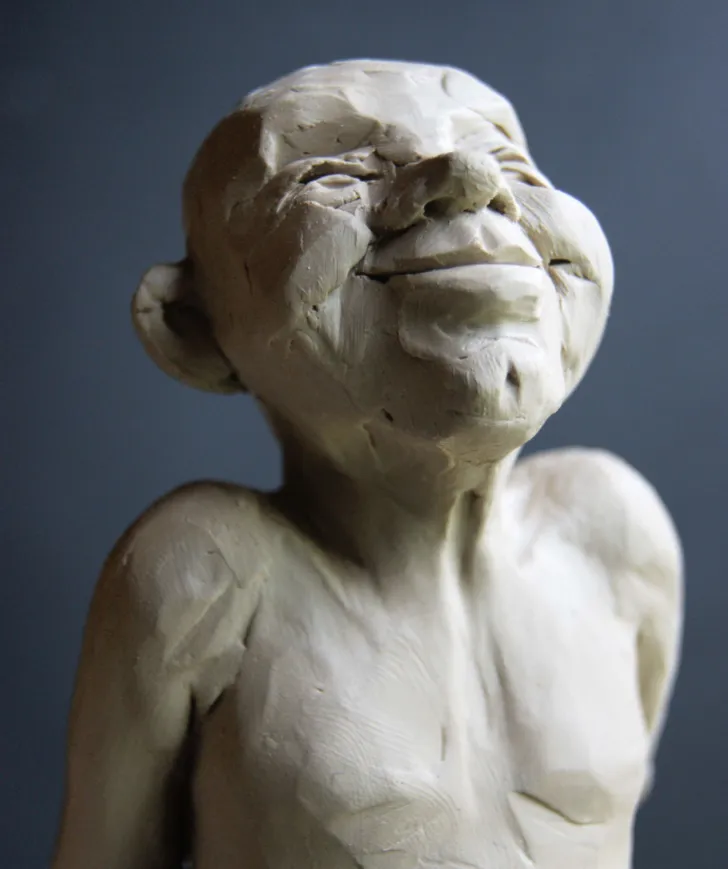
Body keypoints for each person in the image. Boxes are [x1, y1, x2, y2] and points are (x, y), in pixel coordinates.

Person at [53, 60, 682, 869]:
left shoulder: (611, 536)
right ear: (192, 329)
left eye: (512, 163)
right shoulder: (204, 575)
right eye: (335, 174)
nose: (470, 177)